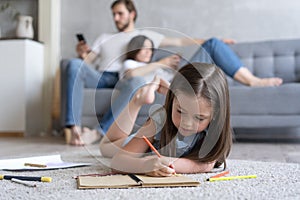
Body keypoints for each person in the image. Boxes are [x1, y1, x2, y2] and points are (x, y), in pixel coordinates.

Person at [65, 0, 283, 146]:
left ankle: (252, 80)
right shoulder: (104, 37)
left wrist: (207, 41)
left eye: (120, 13)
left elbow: (179, 41)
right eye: (113, 14)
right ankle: (72, 128)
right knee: (73, 64)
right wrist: (84, 53)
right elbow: (91, 61)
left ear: (132, 14)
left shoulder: (147, 35)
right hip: (107, 76)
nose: (116, 18)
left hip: (149, 79)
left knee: (213, 44)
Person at [99, 63, 233, 176]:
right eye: (180, 111)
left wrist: (168, 163)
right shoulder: (159, 119)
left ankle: (168, 90)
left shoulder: (214, 127)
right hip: (139, 141)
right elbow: (117, 162)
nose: (187, 123)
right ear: (171, 103)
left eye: (199, 118)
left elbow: (206, 165)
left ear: (216, 115)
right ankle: (137, 101)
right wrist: (145, 165)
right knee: (105, 147)